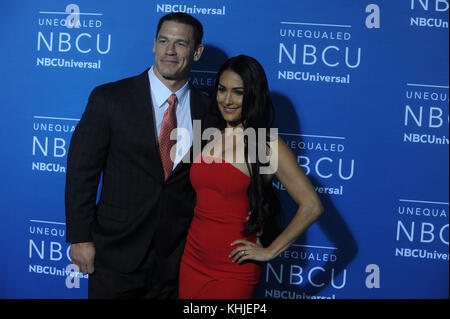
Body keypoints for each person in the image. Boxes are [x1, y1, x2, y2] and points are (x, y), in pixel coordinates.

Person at [65, 12, 214, 298]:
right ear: (154, 45)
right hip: (115, 256)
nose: (169, 51)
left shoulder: (208, 111)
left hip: (176, 261)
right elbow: (81, 172)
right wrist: (79, 237)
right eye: (163, 41)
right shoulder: (110, 98)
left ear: (197, 53)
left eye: (180, 44)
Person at [178, 55, 324, 299]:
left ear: (253, 95)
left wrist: (269, 251)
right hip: (192, 261)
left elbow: (312, 205)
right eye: (222, 90)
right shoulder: (209, 134)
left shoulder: (265, 144)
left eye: (238, 92)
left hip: (234, 269)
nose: (227, 100)